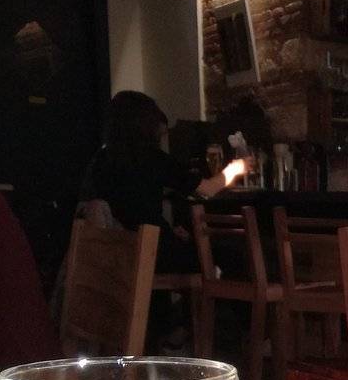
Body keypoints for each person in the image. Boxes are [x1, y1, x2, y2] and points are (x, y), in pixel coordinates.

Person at [79, 91, 246, 276]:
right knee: (234, 257)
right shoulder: (151, 158)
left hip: (120, 257)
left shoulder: (100, 160)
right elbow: (208, 189)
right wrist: (236, 168)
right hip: (154, 255)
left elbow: (128, 210)